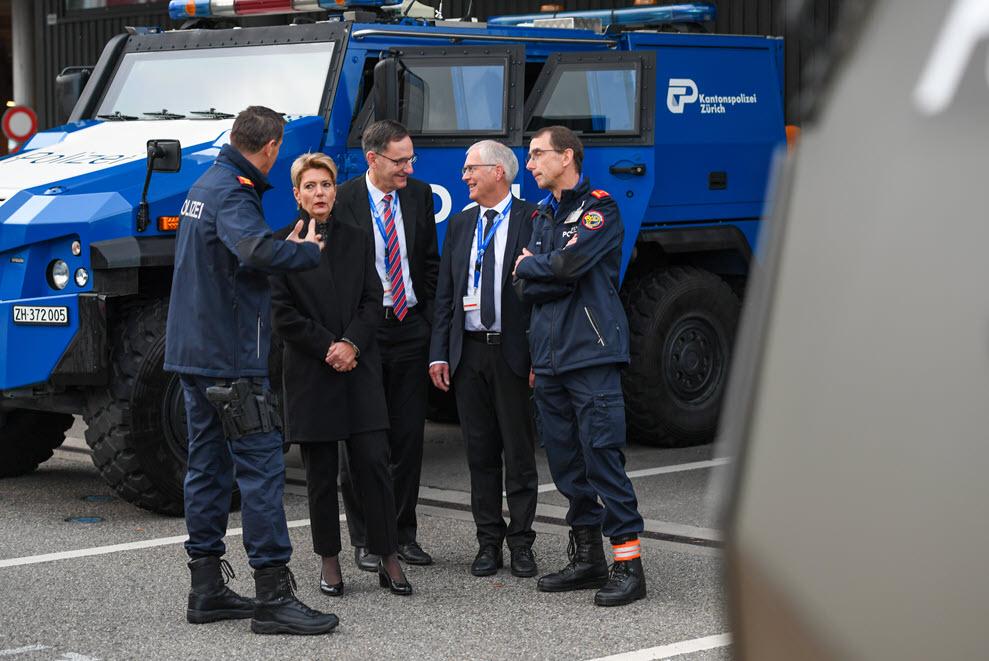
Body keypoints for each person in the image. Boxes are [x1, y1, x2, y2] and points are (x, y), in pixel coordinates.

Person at [164, 106, 338, 634]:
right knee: (261, 471)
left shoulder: (205, 184)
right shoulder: (236, 191)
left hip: (194, 355)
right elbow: (253, 248)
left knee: (207, 469)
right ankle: (272, 595)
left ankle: (207, 589)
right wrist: (303, 251)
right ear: (270, 147)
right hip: (232, 360)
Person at [513, 125, 647, 607]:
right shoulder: (542, 215)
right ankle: (588, 557)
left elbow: (568, 269)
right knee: (568, 465)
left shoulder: (600, 208)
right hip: (549, 360)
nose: (529, 164)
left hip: (590, 354)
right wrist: (542, 268)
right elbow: (526, 286)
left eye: (537, 155)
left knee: (602, 459)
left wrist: (537, 265)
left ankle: (629, 566)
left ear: (567, 157)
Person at [270, 152, 412, 597]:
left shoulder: (357, 236)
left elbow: (374, 300)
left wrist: (350, 344)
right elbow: (282, 315)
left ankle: (388, 555)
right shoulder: (283, 243)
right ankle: (329, 562)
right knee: (320, 474)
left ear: (335, 191)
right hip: (312, 373)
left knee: (373, 462)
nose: (319, 193)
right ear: (296, 194)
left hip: (358, 366)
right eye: (310, 186)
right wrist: (326, 347)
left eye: (326, 186)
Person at [428, 140, 539, 578]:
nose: (464, 176)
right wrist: (439, 353)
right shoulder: (460, 224)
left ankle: (522, 543)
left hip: (513, 351)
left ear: (499, 172)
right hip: (468, 354)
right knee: (479, 454)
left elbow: (541, 298)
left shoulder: (534, 219)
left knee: (519, 453)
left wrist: (537, 355)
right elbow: (445, 296)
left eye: (471, 168)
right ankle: (487, 542)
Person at [334, 120, 440, 571]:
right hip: (365, 333)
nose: (408, 168)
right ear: (372, 158)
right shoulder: (344, 199)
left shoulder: (416, 196)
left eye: (411, 159)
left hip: (409, 329)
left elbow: (429, 264)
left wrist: (428, 322)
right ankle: (366, 538)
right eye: (400, 161)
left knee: (408, 438)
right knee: (363, 441)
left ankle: (402, 534)